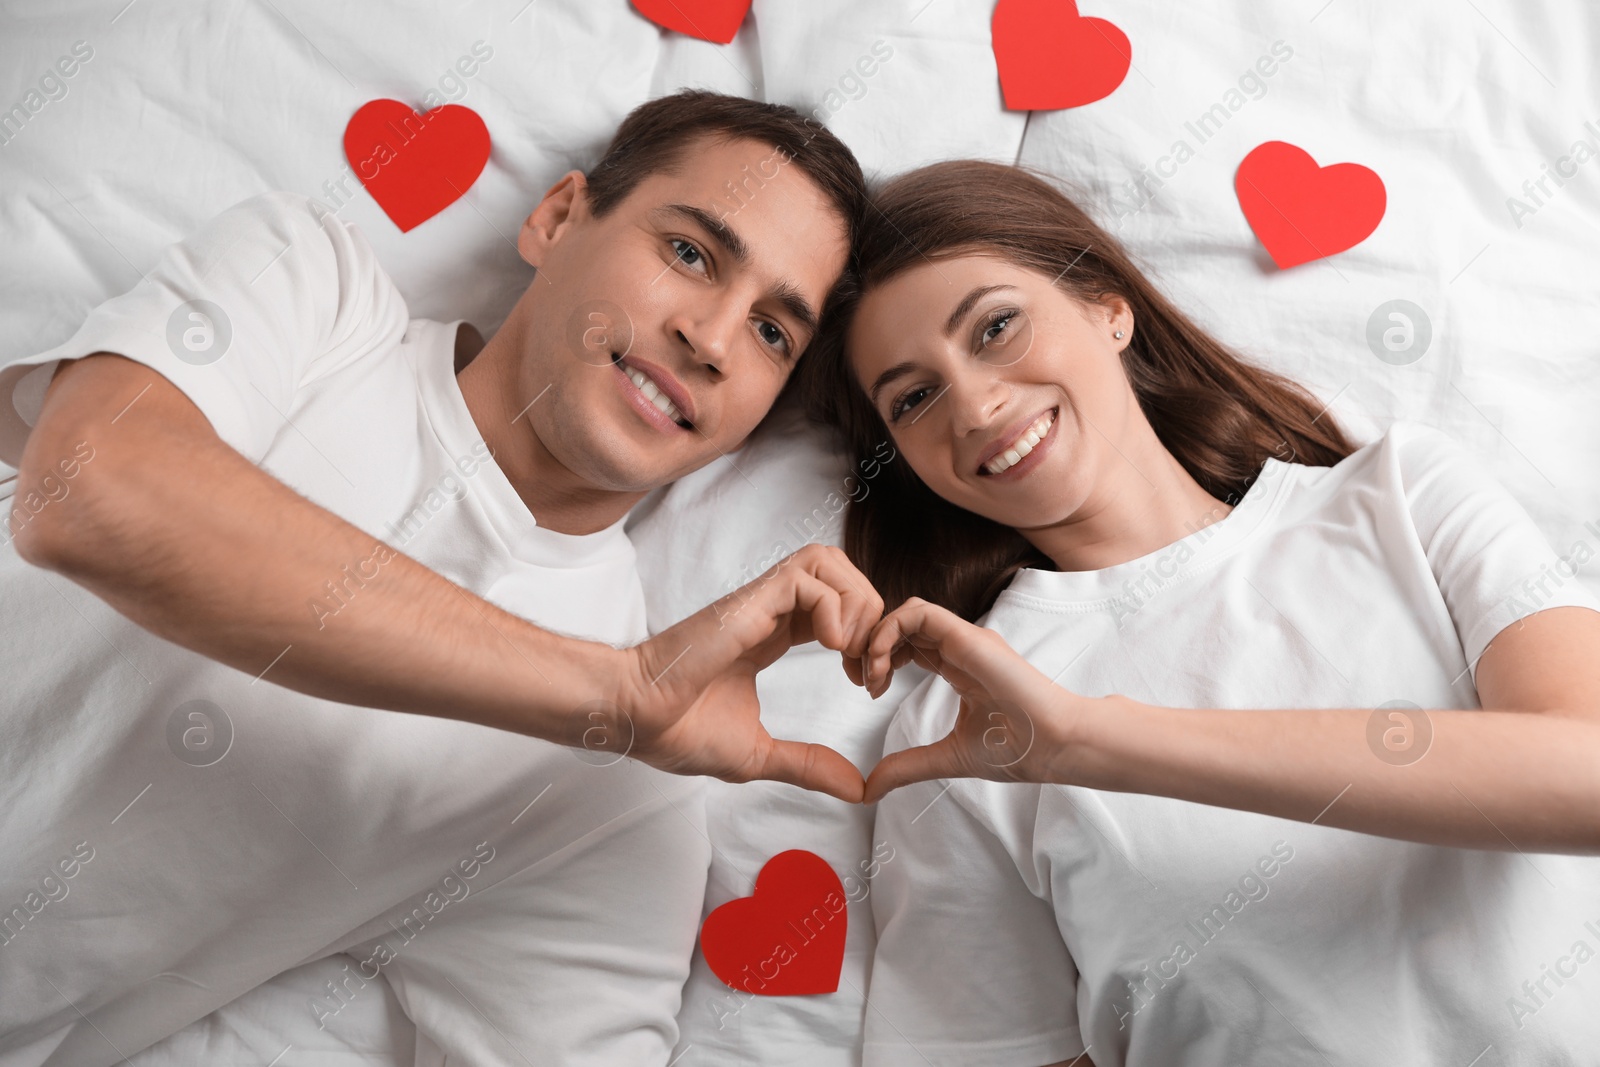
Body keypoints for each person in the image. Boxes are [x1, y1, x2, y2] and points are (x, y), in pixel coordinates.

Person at [0, 91, 886, 1067]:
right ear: (557, 217)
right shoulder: (310, 287)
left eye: (772, 332)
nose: (711, 339)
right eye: (688, 253)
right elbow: (91, 494)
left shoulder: (622, 782)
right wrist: (611, 693)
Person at [802, 160, 1600, 1067]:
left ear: (1108, 307)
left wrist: (1090, 744)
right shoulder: (955, 726)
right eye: (913, 397)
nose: (976, 405)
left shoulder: (1404, 497)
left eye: (995, 327)